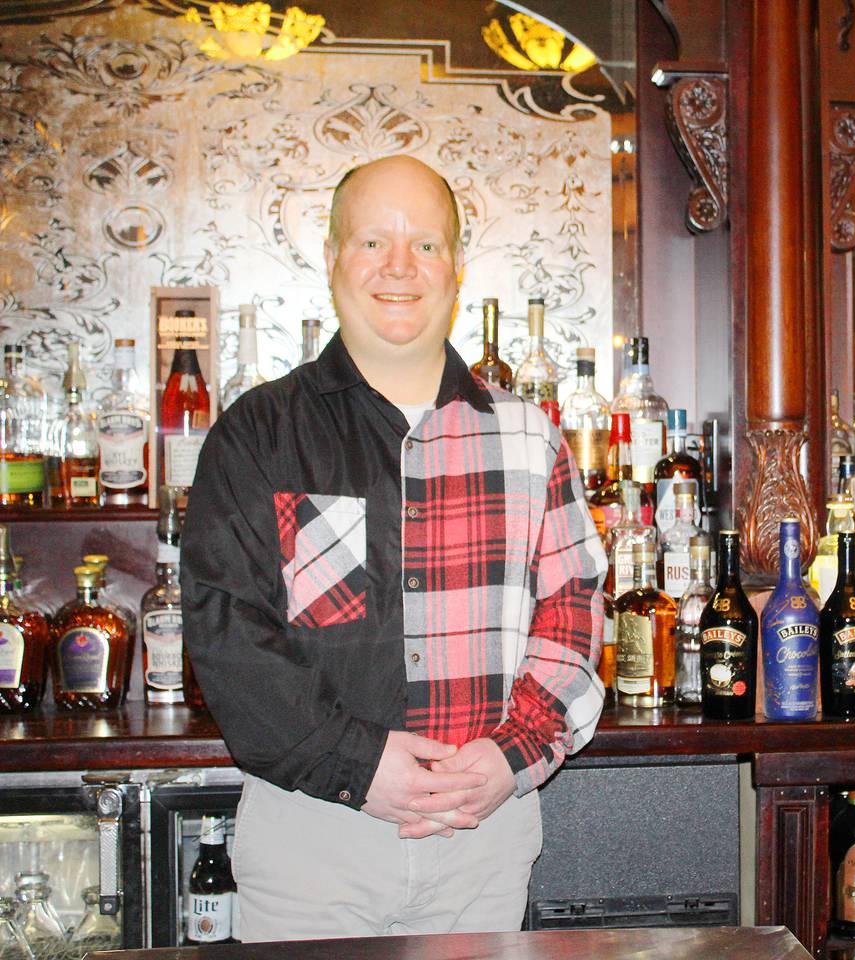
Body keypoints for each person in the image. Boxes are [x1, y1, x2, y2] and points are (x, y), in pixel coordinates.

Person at [181, 155, 606, 941]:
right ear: (333, 258)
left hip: (485, 837)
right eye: (373, 241)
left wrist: (511, 756)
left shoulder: (529, 436)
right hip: (314, 839)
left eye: (427, 245)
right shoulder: (260, 434)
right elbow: (228, 636)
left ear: (457, 269)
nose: (400, 267)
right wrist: (360, 765)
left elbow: (573, 621)